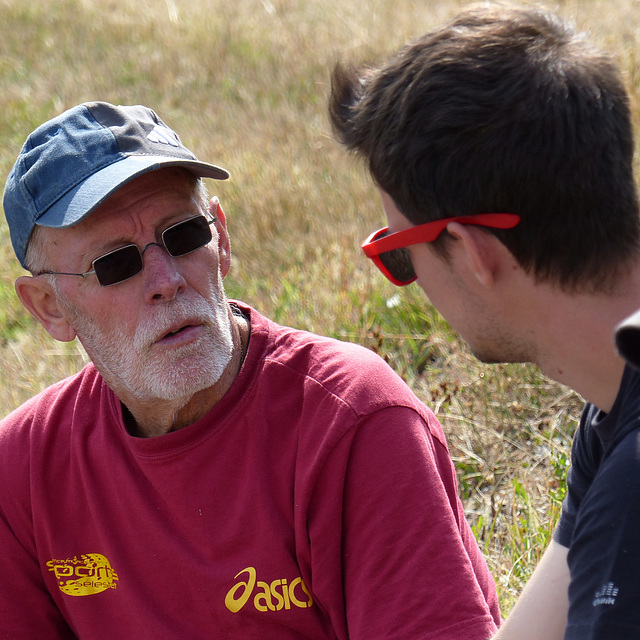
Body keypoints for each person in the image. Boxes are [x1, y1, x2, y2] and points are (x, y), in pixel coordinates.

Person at [0, 101, 500, 639]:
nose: (166, 279)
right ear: (48, 306)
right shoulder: (21, 473)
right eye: (116, 263)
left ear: (222, 239)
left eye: (184, 235)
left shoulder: (353, 420)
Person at [329, 3, 640, 640]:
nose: (408, 281)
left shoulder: (633, 498)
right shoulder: (613, 402)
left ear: (474, 254)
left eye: (399, 253)